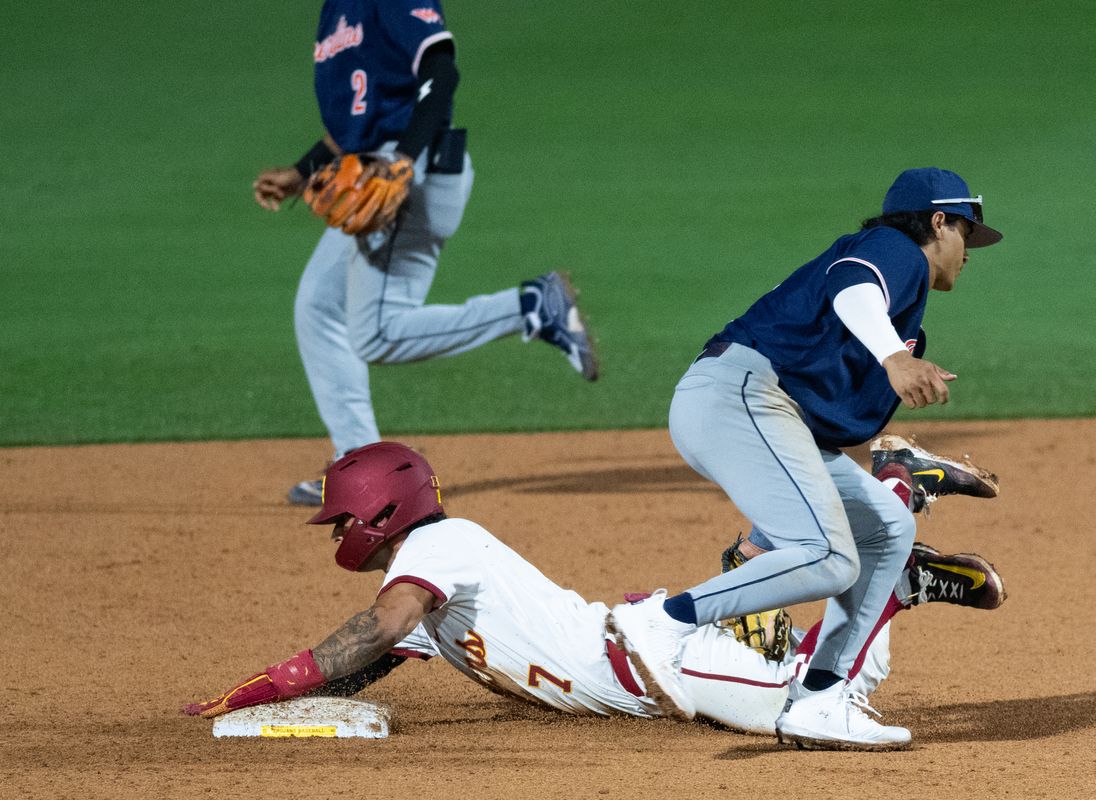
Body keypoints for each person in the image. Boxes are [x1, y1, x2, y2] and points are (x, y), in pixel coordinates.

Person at [183, 441, 1006, 743]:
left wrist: (275, 683)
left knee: (819, 707)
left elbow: (372, 628)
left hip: (657, 661)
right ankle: (886, 564)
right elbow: (364, 660)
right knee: (819, 681)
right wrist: (250, 701)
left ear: (380, 512)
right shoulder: (428, 592)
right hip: (647, 652)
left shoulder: (439, 550)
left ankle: (898, 500)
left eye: (342, 520)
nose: (337, 534)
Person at [607, 167, 1003, 750]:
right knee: (827, 556)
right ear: (937, 221)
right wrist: (895, 359)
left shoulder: (902, 314)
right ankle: (662, 623)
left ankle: (820, 698)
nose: (970, 252)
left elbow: (827, 430)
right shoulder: (895, 249)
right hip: (740, 395)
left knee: (888, 528)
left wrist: (896, 363)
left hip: (755, 409)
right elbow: (855, 288)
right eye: (967, 234)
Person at [251, 1, 598, 506]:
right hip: (379, 170)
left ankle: (530, 306)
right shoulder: (336, 11)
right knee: (317, 305)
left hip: (411, 174)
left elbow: (441, 70)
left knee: (378, 334)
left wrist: (404, 160)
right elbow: (359, 119)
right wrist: (304, 170)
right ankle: (362, 464)